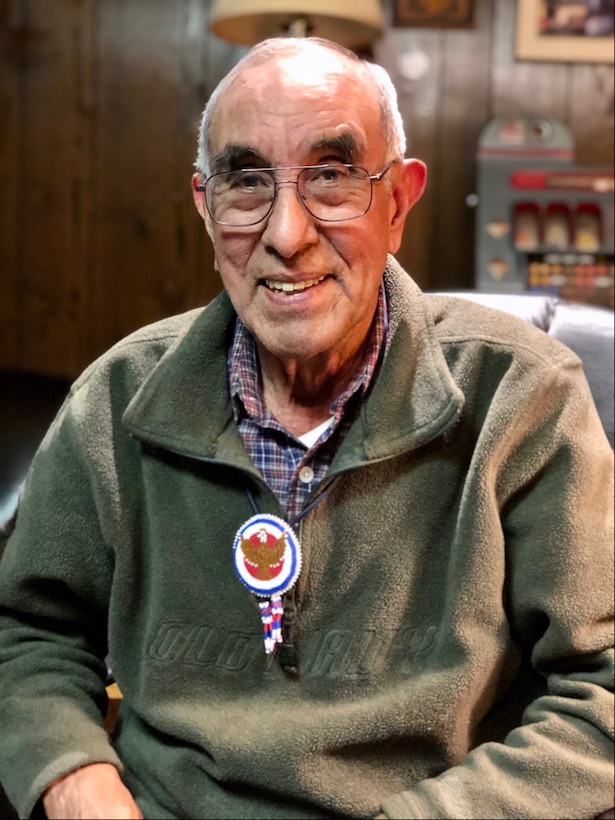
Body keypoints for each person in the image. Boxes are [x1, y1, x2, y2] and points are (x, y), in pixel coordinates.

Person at [0, 36, 613, 820]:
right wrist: (71, 774)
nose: (287, 234)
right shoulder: (118, 398)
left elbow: (601, 693)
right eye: (248, 182)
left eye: (330, 177)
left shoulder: (521, 397)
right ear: (204, 203)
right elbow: (26, 630)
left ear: (398, 201)